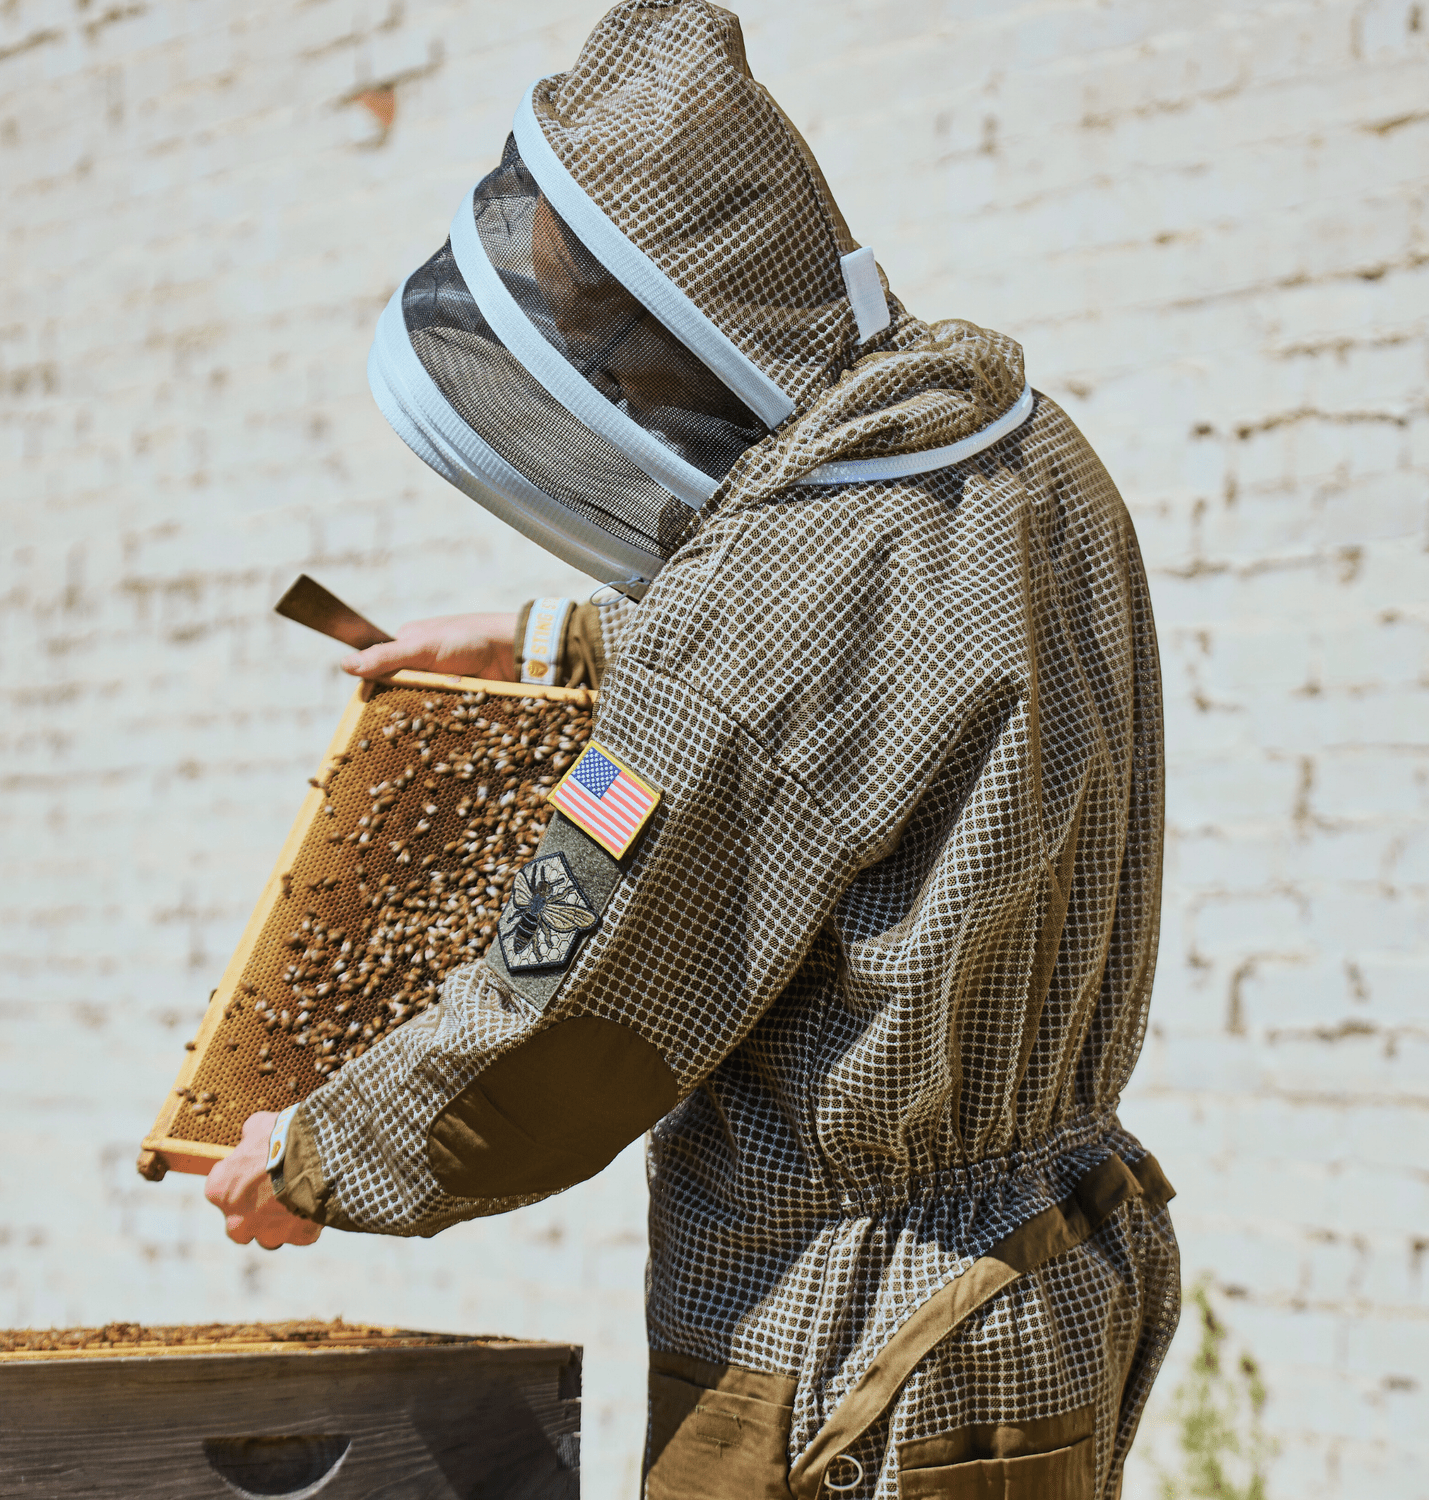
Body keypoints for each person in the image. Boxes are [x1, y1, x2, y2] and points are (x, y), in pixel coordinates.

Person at [207, 4, 1180, 1496]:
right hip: (1045, 1295)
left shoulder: (768, 597)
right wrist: (549, 649)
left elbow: (578, 1002)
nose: (615, 396)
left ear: (696, 323)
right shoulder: (1023, 456)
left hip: (841, 1355)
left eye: (613, 348)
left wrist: (326, 1153)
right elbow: (874, 694)